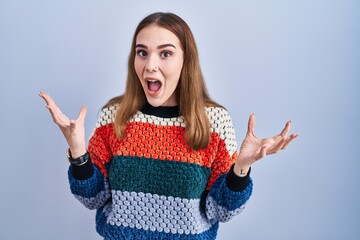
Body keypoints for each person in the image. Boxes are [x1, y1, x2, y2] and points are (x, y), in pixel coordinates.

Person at [39, 12, 297, 240]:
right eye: (142, 52)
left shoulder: (214, 122)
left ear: (186, 61)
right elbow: (92, 197)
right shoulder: (113, 116)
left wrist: (241, 168)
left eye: (165, 53)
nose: (150, 65)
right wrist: (77, 152)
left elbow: (222, 210)